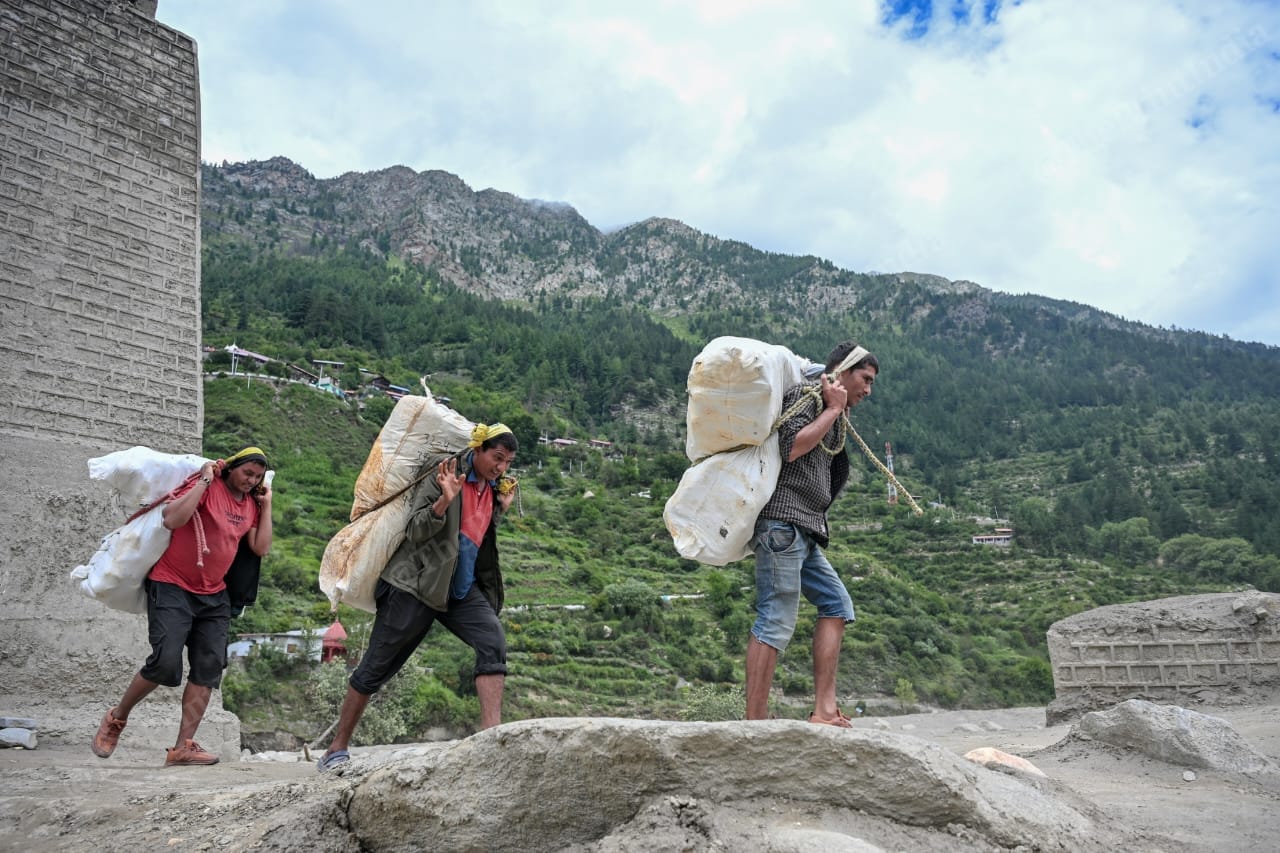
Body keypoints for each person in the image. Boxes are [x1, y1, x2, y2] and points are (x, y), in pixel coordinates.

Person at [317, 424, 519, 771]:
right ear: (479, 449)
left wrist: (499, 508)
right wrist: (445, 500)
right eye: (497, 458)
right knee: (377, 665)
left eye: (508, 462)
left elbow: (475, 533)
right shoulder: (447, 472)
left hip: (458, 589)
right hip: (416, 583)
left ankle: (491, 737)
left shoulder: (493, 489)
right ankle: (335, 749)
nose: (501, 468)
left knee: (493, 640)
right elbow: (416, 530)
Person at [92, 446, 273, 765]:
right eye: (247, 473)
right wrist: (203, 481)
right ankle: (116, 719)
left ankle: (182, 747)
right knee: (164, 663)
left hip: (215, 595)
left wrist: (267, 504)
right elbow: (172, 518)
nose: (251, 480)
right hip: (172, 585)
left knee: (208, 668)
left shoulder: (251, 506)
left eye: (257, 477)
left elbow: (260, 547)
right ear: (231, 468)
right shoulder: (207, 486)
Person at [745, 341, 878, 726]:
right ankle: (754, 722)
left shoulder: (828, 409)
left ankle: (823, 709)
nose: (867, 390)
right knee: (776, 617)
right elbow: (792, 448)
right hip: (782, 525)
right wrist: (833, 407)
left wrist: (836, 411)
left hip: (804, 530)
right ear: (844, 371)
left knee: (837, 605)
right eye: (864, 379)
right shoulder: (806, 398)